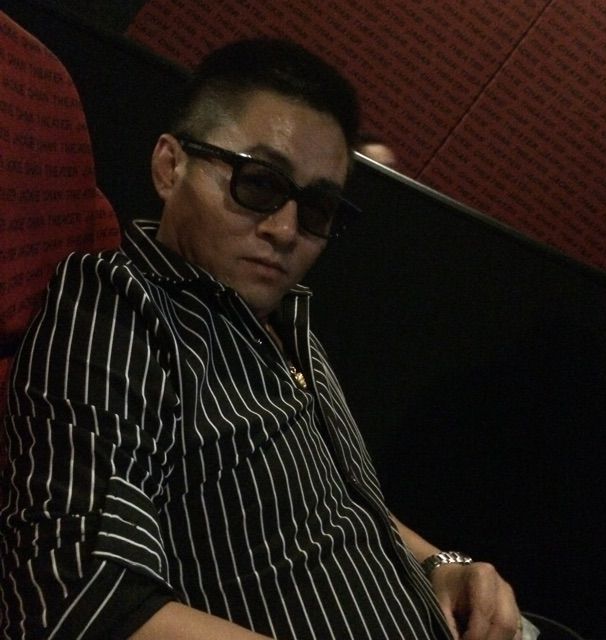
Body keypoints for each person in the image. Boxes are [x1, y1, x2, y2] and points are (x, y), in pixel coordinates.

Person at [0, 39, 523, 639]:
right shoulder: (121, 305)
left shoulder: (285, 322)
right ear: (171, 167)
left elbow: (337, 499)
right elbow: (71, 598)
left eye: (317, 208)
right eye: (258, 183)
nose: (285, 230)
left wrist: (441, 564)